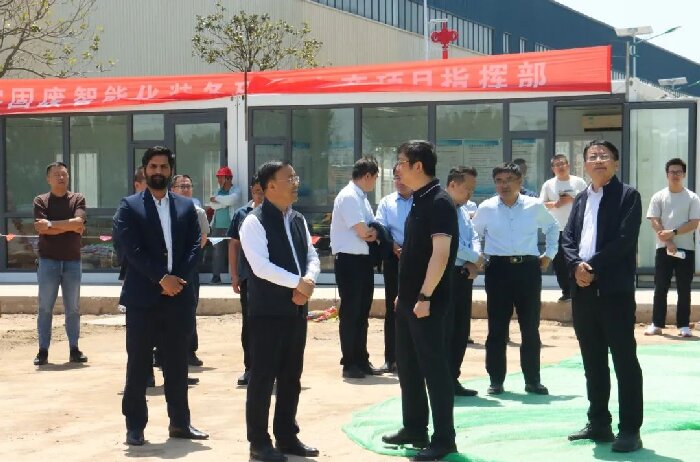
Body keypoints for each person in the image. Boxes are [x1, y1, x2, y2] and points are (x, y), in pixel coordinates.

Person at [113, 146, 208, 446]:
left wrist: (176, 279)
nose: (158, 171)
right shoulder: (129, 207)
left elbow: (195, 245)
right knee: (138, 364)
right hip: (142, 299)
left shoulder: (186, 207)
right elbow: (131, 250)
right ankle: (135, 426)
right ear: (145, 170)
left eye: (164, 167)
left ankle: (180, 423)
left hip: (178, 296)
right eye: (153, 166)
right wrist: (160, 278)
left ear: (170, 170)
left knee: (177, 363)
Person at [562, 140, 643, 453]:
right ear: (585, 165)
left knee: (624, 361)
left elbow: (624, 240)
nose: (598, 160)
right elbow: (568, 238)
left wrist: (591, 267)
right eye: (592, 156)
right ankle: (598, 422)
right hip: (583, 292)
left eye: (604, 156)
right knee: (592, 360)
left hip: (614, 292)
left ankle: (630, 429)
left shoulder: (628, 196)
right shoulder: (582, 198)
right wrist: (575, 266)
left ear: (616, 163)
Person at [381, 141, 459, 461]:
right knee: (409, 366)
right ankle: (414, 427)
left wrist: (425, 295)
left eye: (401, 162)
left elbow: (440, 255)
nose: (396, 168)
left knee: (434, 369)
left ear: (418, 166)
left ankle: (444, 439)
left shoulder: (440, 202)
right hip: (410, 301)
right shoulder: (418, 199)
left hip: (428, 302)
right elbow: (415, 254)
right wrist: (406, 294)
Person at [239, 161, 320, 462]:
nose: (296, 183)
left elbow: (312, 255)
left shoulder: (298, 219)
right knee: (262, 378)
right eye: (290, 179)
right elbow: (260, 266)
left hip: (296, 310)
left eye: (295, 177)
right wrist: (297, 284)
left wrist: (308, 281)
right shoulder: (254, 222)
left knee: (291, 376)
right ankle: (259, 442)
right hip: (267, 313)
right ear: (270, 186)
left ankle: (287, 436)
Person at [472, 162, 558, 396]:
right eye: (499, 181)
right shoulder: (487, 207)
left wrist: (549, 254)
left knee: (530, 327)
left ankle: (532, 380)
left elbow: (553, 227)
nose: (504, 185)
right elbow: (474, 234)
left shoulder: (533, 205)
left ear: (520, 182)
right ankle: (496, 380)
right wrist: (478, 255)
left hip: (528, 270)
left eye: (509, 180)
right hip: (498, 271)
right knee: (497, 328)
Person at [32, 162, 88, 366]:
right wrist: (69, 226)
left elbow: (79, 223)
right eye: (56, 174)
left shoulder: (78, 199)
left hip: (72, 261)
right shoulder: (41, 201)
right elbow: (41, 229)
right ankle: (43, 350)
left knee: (72, 308)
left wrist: (51, 225)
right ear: (48, 179)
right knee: (45, 307)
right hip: (48, 261)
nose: (61, 177)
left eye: (64, 174)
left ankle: (74, 349)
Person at [330, 156, 380, 379]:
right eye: (375, 177)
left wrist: (374, 232)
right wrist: (374, 233)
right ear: (367, 175)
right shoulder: (349, 196)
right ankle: (349, 362)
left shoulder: (362, 198)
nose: (375, 182)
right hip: (349, 261)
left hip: (362, 261)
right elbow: (364, 232)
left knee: (362, 312)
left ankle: (361, 358)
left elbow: (374, 226)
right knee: (351, 313)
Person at [645, 158, 700, 338]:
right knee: (661, 287)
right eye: (672, 172)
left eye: (678, 172)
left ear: (684, 174)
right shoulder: (658, 196)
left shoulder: (692, 198)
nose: (675, 175)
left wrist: (673, 232)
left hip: (686, 250)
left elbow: (694, 223)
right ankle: (656, 323)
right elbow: (654, 220)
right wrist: (668, 241)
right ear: (667, 174)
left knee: (684, 288)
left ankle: (683, 325)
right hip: (663, 249)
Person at [444, 166, 481, 397]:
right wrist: (475, 258)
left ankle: (453, 378)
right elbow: (449, 244)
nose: (470, 193)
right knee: (446, 330)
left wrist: (474, 260)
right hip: (446, 275)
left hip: (463, 275)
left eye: (473, 189)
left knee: (460, 330)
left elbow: (473, 236)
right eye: (467, 188)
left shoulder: (463, 210)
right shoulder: (441, 208)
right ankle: (442, 381)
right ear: (453, 185)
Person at [374, 165, 412, 374]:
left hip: (417, 260)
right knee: (393, 308)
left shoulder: (422, 200)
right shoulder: (387, 202)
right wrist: (393, 246)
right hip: (394, 260)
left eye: (402, 177)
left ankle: (414, 359)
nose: (399, 181)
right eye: (396, 177)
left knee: (417, 307)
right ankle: (391, 358)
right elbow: (381, 227)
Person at [228, 175, 265, 386]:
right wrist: (234, 275)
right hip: (248, 278)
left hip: (272, 280)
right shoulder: (242, 214)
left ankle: (271, 368)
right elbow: (234, 245)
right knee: (249, 324)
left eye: (263, 191)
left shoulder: (277, 213)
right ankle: (250, 368)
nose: (259, 196)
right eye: (256, 191)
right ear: (252, 191)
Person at [172, 174, 210, 366]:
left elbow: (203, 239)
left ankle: (189, 351)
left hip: (189, 268)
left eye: (188, 186)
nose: (186, 189)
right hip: (168, 268)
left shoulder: (199, 212)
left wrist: (188, 260)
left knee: (189, 308)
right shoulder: (166, 210)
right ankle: (162, 351)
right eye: (182, 186)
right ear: (173, 189)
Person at [539, 154, 588, 302]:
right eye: (557, 165)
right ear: (553, 168)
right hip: (556, 229)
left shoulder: (578, 182)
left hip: (576, 228)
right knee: (559, 262)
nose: (560, 167)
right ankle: (566, 291)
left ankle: (578, 290)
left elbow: (588, 201)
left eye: (562, 164)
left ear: (568, 165)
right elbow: (541, 205)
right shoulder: (548, 185)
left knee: (576, 259)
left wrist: (573, 200)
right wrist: (556, 204)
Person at [209, 166, 241, 284]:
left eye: (220, 178)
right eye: (218, 178)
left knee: (234, 252)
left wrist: (218, 199)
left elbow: (232, 200)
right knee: (217, 252)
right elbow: (212, 206)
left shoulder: (236, 189)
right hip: (217, 227)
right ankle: (216, 277)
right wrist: (224, 203)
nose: (218, 180)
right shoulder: (217, 191)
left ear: (228, 178)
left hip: (232, 226)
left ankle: (235, 277)